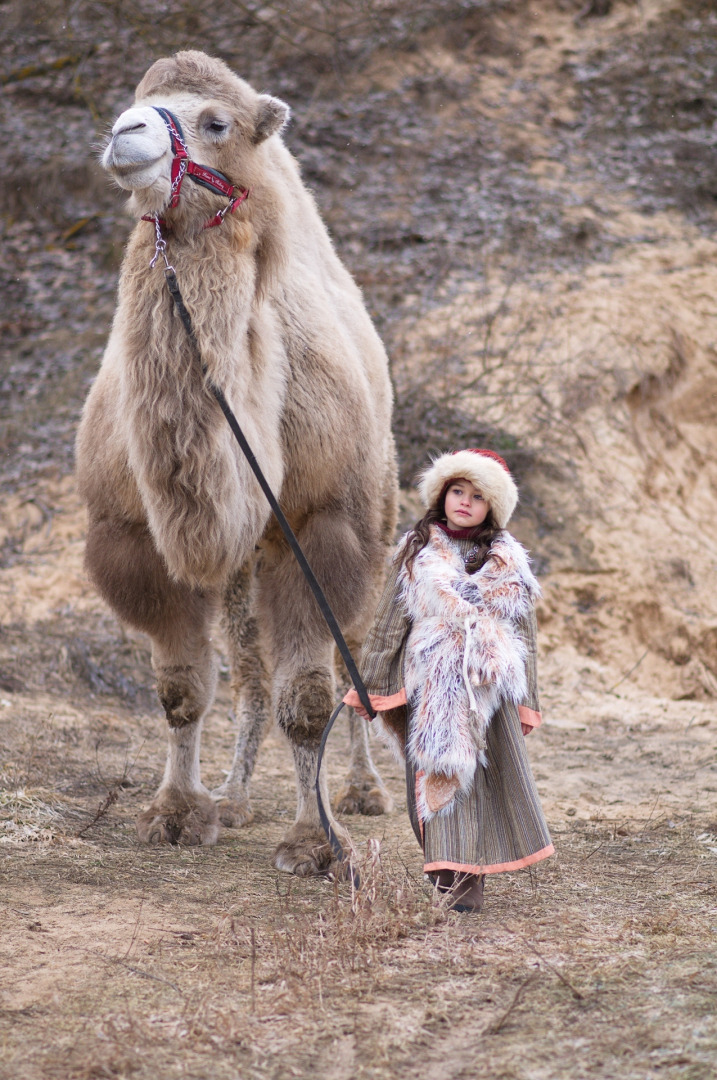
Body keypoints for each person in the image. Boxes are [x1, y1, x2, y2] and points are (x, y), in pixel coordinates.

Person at [344, 449, 554, 912]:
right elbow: (386, 626)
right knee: (435, 778)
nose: (464, 501)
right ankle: (445, 870)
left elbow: (525, 638)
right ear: (442, 494)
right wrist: (370, 685)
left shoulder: (508, 564)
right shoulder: (417, 552)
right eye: (458, 491)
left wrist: (528, 702)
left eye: (477, 496)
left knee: (481, 782)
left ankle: (466, 879)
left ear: (491, 508)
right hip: (431, 685)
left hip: (487, 688)